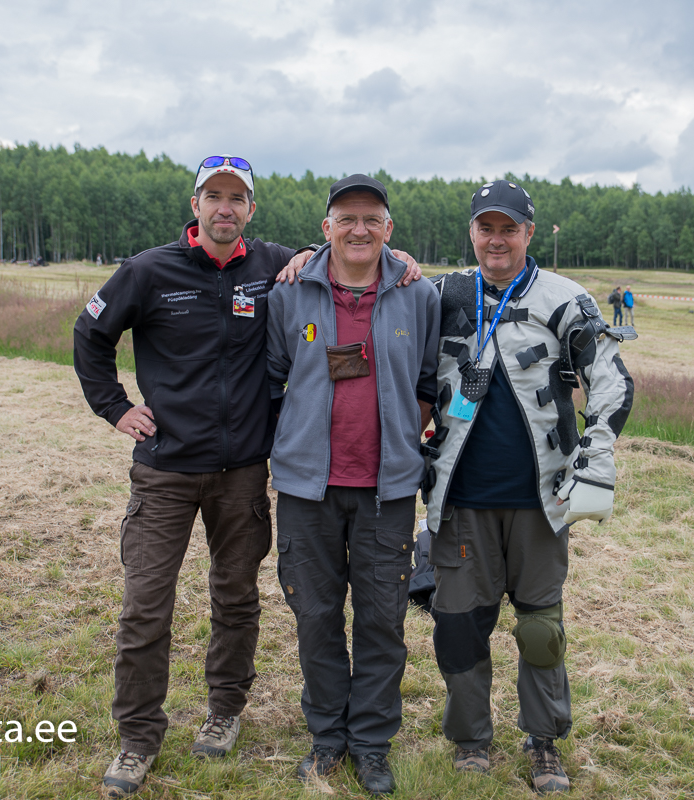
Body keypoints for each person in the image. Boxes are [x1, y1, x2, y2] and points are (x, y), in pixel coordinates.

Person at [73, 156, 422, 799]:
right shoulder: (149, 271)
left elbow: (343, 250)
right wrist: (116, 408)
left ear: (251, 209)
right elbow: (90, 335)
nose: (225, 208)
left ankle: (224, 711)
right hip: (167, 471)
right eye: (215, 196)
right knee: (146, 608)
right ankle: (137, 739)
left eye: (237, 198)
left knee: (236, 598)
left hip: (243, 474)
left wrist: (391, 261)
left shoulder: (274, 267)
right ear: (197, 202)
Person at [423, 180, 635, 794]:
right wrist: (309, 251)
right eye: (486, 228)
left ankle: (543, 742)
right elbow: (367, 278)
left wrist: (597, 453)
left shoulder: (566, 300)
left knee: (541, 628)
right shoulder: (442, 294)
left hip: (542, 501)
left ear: (528, 233)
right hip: (460, 500)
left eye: (508, 228)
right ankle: (470, 740)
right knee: (459, 625)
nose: (496, 239)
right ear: (472, 233)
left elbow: (611, 379)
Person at [267, 175, 440, 795]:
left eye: (372, 219)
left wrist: (395, 444)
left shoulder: (419, 295)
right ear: (327, 228)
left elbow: (428, 384)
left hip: (385, 491)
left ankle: (370, 743)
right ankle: (327, 738)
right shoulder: (289, 294)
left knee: (380, 620)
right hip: (306, 491)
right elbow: (272, 378)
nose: (359, 229)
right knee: (314, 617)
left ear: (389, 229)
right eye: (347, 218)